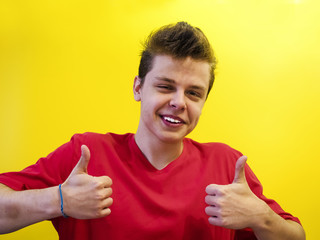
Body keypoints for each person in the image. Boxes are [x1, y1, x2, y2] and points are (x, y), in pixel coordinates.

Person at [0, 22, 305, 240]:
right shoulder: (86, 153)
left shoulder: (226, 164)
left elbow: (297, 236)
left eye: (193, 93)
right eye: (165, 86)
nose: (178, 102)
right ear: (138, 87)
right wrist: (58, 201)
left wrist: (260, 217)